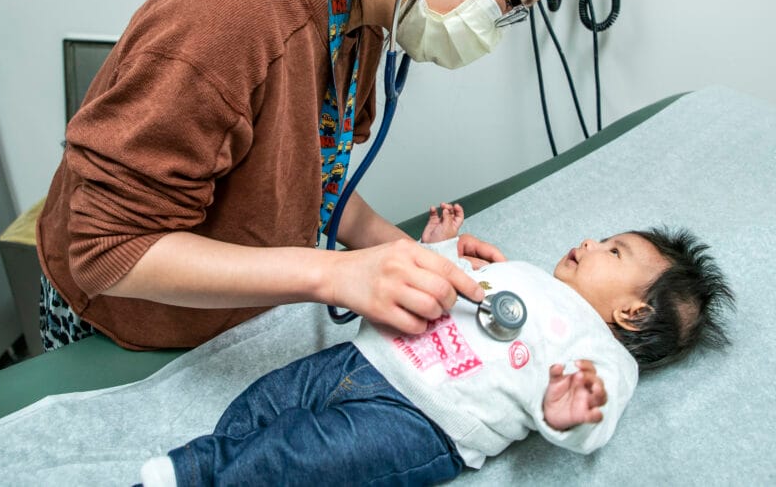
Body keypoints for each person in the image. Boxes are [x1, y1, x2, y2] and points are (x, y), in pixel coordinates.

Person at [34, 0, 595, 351]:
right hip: (123, 322)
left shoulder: (362, 9)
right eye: (508, 0)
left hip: (227, 318)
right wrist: (334, 274)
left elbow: (309, 179)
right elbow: (108, 249)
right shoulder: (230, 19)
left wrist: (417, 261)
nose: (493, 26)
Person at [137, 204, 735, 486]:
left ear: (632, 312)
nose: (588, 240)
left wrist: (571, 408)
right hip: (365, 357)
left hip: (423, 420)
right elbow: (450, 287)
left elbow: (590, 420)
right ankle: (214, 455)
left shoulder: (599, 355)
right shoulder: (524, 273)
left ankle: (195, 476)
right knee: (265, 402)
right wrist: (441, 249)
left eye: (613, 250)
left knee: (305, 458)